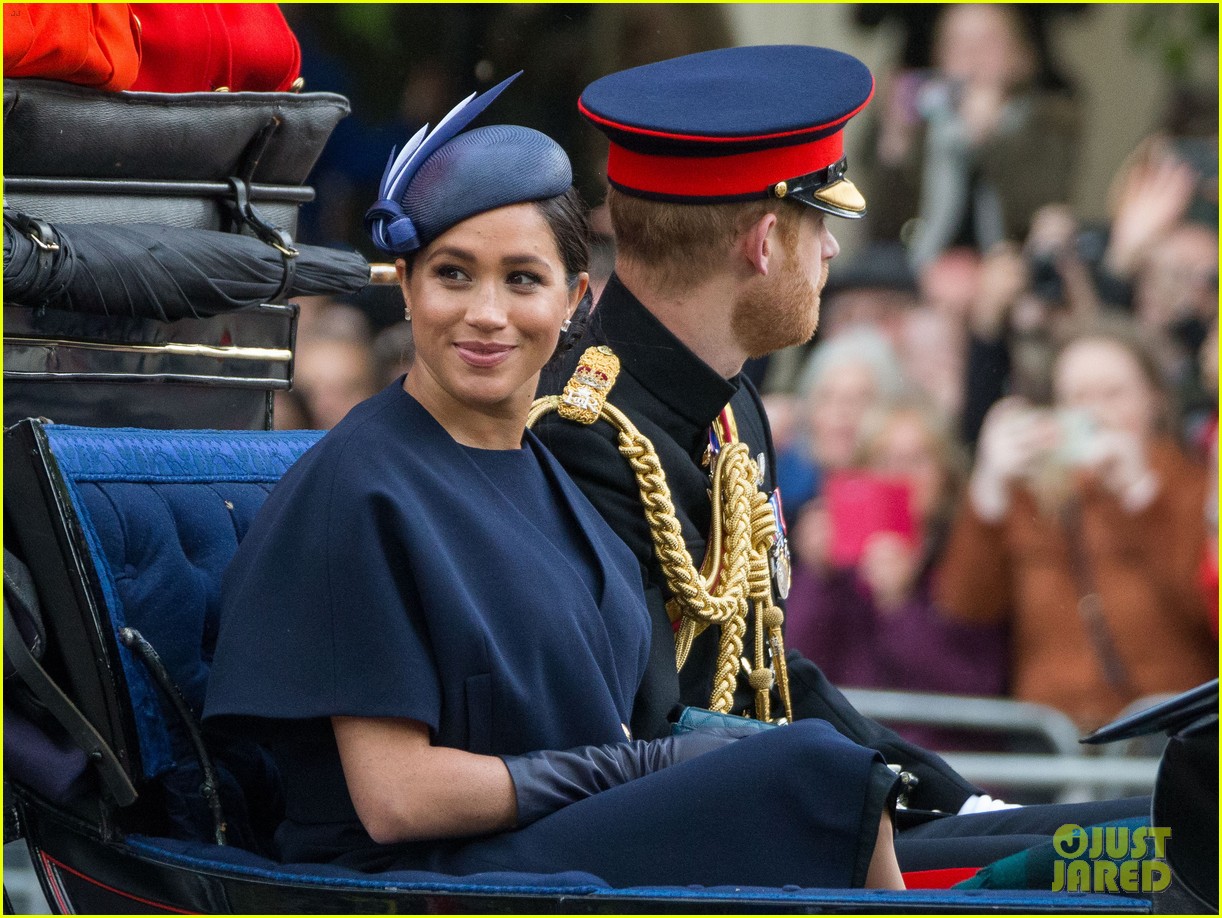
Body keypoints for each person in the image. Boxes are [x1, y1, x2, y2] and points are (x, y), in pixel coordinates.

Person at [203, 75, 905, 890]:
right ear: (408, 287)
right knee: (820, 777)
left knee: (838, 777)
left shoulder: (544, 471)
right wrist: (638, 768)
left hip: (546, 852)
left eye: (522, 280)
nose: (486, 313)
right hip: (417, 880)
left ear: (574, 300)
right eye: (453, 274)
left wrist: (693, 758)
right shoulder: (363, 484)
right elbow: (397, 798)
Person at [534, 44, 1150, 878]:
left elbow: (765, 665)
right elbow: (649, 724)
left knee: (1158, 828)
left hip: (790, 807)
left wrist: (942, 790)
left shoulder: (727, 398)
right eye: (818, 225)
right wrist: (856, 791)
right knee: (1125, 865)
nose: (828, 253)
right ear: (761, 244)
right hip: (723, 846)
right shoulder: (584, 429)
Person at [936, 319, 1216, 730]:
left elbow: (1202, 609)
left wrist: (1140, 494)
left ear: (1153, 398)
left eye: (1114, 394)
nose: (1095, 411)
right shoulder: (1034, 494)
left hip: (1163, 732)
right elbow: (967, 608)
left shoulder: (1189, 484)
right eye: (1077, 396)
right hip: (1052, 736)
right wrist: (989, 485)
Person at [785, 397, 1008, 752]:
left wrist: (898, 606)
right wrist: (819, 576)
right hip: (848, 753)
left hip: (943, 762)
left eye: (917, 460)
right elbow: (796, 662)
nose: (900, 474)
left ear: (946, 477)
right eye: (885, 460)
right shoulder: (841, 560)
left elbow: (972, 686)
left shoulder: (964, 557)